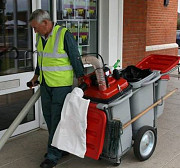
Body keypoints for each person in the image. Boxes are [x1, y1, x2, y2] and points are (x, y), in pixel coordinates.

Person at [28, 9, 84, 168]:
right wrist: (36, 76)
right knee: (49, 119)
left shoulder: (63, 34)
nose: (34, 31)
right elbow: (41, 60)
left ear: (45, 23)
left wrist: (81, 77)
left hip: (61, 86)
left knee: (57, 120)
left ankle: (52, 156)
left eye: (35, 27)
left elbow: (75, 57)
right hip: (46, 85)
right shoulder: (40, 38)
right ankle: (61, 147)